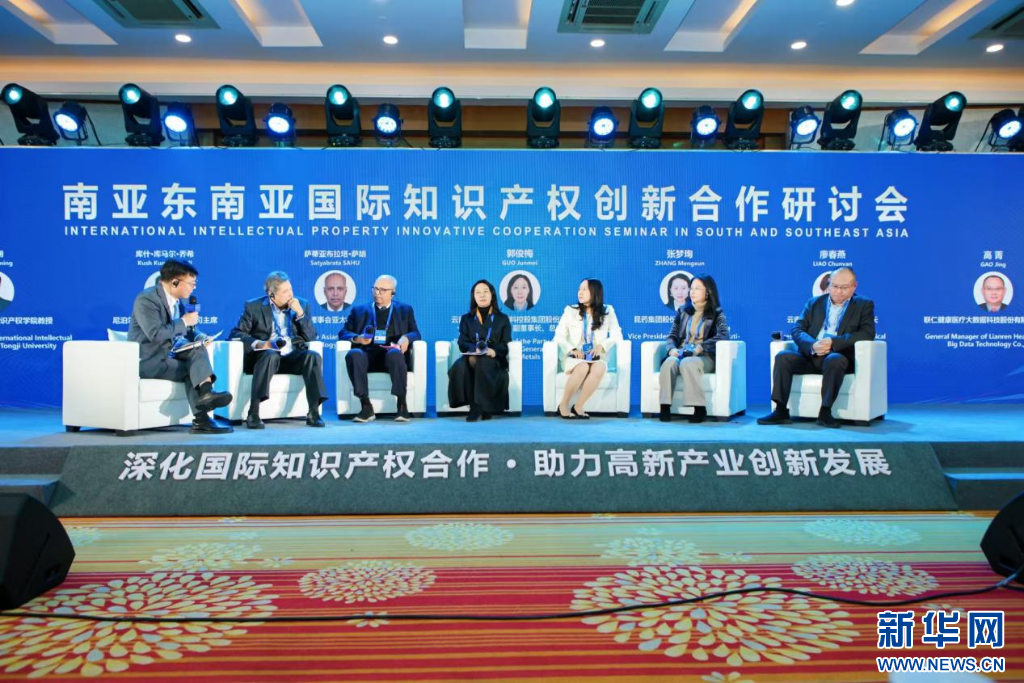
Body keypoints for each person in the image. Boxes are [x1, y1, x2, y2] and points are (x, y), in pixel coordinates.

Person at [758, 266, 875, 429]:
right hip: (811, 356)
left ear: (854, 286)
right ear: (828, 284)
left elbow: (867, 333)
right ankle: (781, 410)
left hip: (837, 357)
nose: (838, 291)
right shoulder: (814, 303)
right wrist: (813, 345)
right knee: (783, 357)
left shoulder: (864, 304)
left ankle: (825, 412)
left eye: (844, 287)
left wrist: (834, 342)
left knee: (835, 360)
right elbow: (797, 329)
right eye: (834, 286)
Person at [128, 259, 233, 434]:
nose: (194, 288)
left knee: (197, 349)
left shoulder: (177, 302)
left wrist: (200, 336)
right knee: (193, 369)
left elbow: (189, 329)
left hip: (169, 356)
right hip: (149, 361)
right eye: (191, 283)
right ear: (175, 282)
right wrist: (184, 321)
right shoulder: (147, 299)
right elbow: (156, 333)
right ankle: (202, 416)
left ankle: (206, 395)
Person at [229, 271, 328, 429]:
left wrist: (300, 314)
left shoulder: (301, 305)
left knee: (312, 356)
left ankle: (314, 412)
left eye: (291, 289)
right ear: (271, 294)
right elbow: (236, 334)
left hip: (291, 357)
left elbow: (311, 337)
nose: (291, 294)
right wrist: (260, 344)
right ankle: (253, 412)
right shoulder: (253, 307)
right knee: (270, 355)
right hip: (266, 357)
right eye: (285, 291)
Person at [339, 274, 420, 423]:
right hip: (367, 355)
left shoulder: (405, 310)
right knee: (354, 354)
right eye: (375, 289)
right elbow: (343, 332)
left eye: (382, 290)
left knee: (395, 354)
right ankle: (366, 405)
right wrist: (357, 338)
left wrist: (406, 337)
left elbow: (416, 333)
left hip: (390, 355)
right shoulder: (359, 310)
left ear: (393, 292)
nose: (377, 293)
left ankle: (402, 404)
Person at [658, 274, 729, 424]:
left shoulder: (716, 313)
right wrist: (672, 350)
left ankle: (699, 408)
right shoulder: (683, 311)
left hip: (704, 356)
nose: (692, 292)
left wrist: (701, 347)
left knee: (688, 363)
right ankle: (664, 407)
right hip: (682, 352)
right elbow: (671, 336)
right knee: (669, 363)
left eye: (697, 288)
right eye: (691, 288)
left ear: (708, 292)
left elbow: (724, 335)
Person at [553, 279, 623, 419]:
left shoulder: (608, 311)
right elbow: (558, 336)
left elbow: (617, 335)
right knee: (583, 367)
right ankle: (564, 405)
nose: (580, 292)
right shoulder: (570, 310)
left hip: (595, 356)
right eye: (579, 289)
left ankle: (578, 406)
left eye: (585, 289)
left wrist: (601, 346)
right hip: (574, 357)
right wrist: (572, 349)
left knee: (599, 367)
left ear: (595, 292)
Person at [448, 280, 512, 422]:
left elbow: (505, 343)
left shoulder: (502, 319)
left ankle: (476, 408)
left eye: (485, 291)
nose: (482, 295)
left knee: (481, 363)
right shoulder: (466, 319)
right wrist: (474, 349)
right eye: (478, 292)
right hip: (472, 356)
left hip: (494, 359)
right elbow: (462, 342)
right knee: (462, 365)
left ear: (492, 295)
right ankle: (482, 408)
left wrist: (494, 351)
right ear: (474, 297)